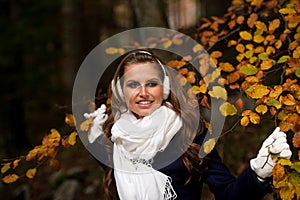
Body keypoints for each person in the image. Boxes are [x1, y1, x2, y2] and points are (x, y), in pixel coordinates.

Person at [84, 49, 292, 200]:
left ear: (164, 88)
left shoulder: (190, 135)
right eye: (132, 84)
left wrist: (257, 175)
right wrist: (93, 136)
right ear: (121, 92)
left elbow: (228, 194)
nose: (143, 92)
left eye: (152, 83)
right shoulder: (116, 139)